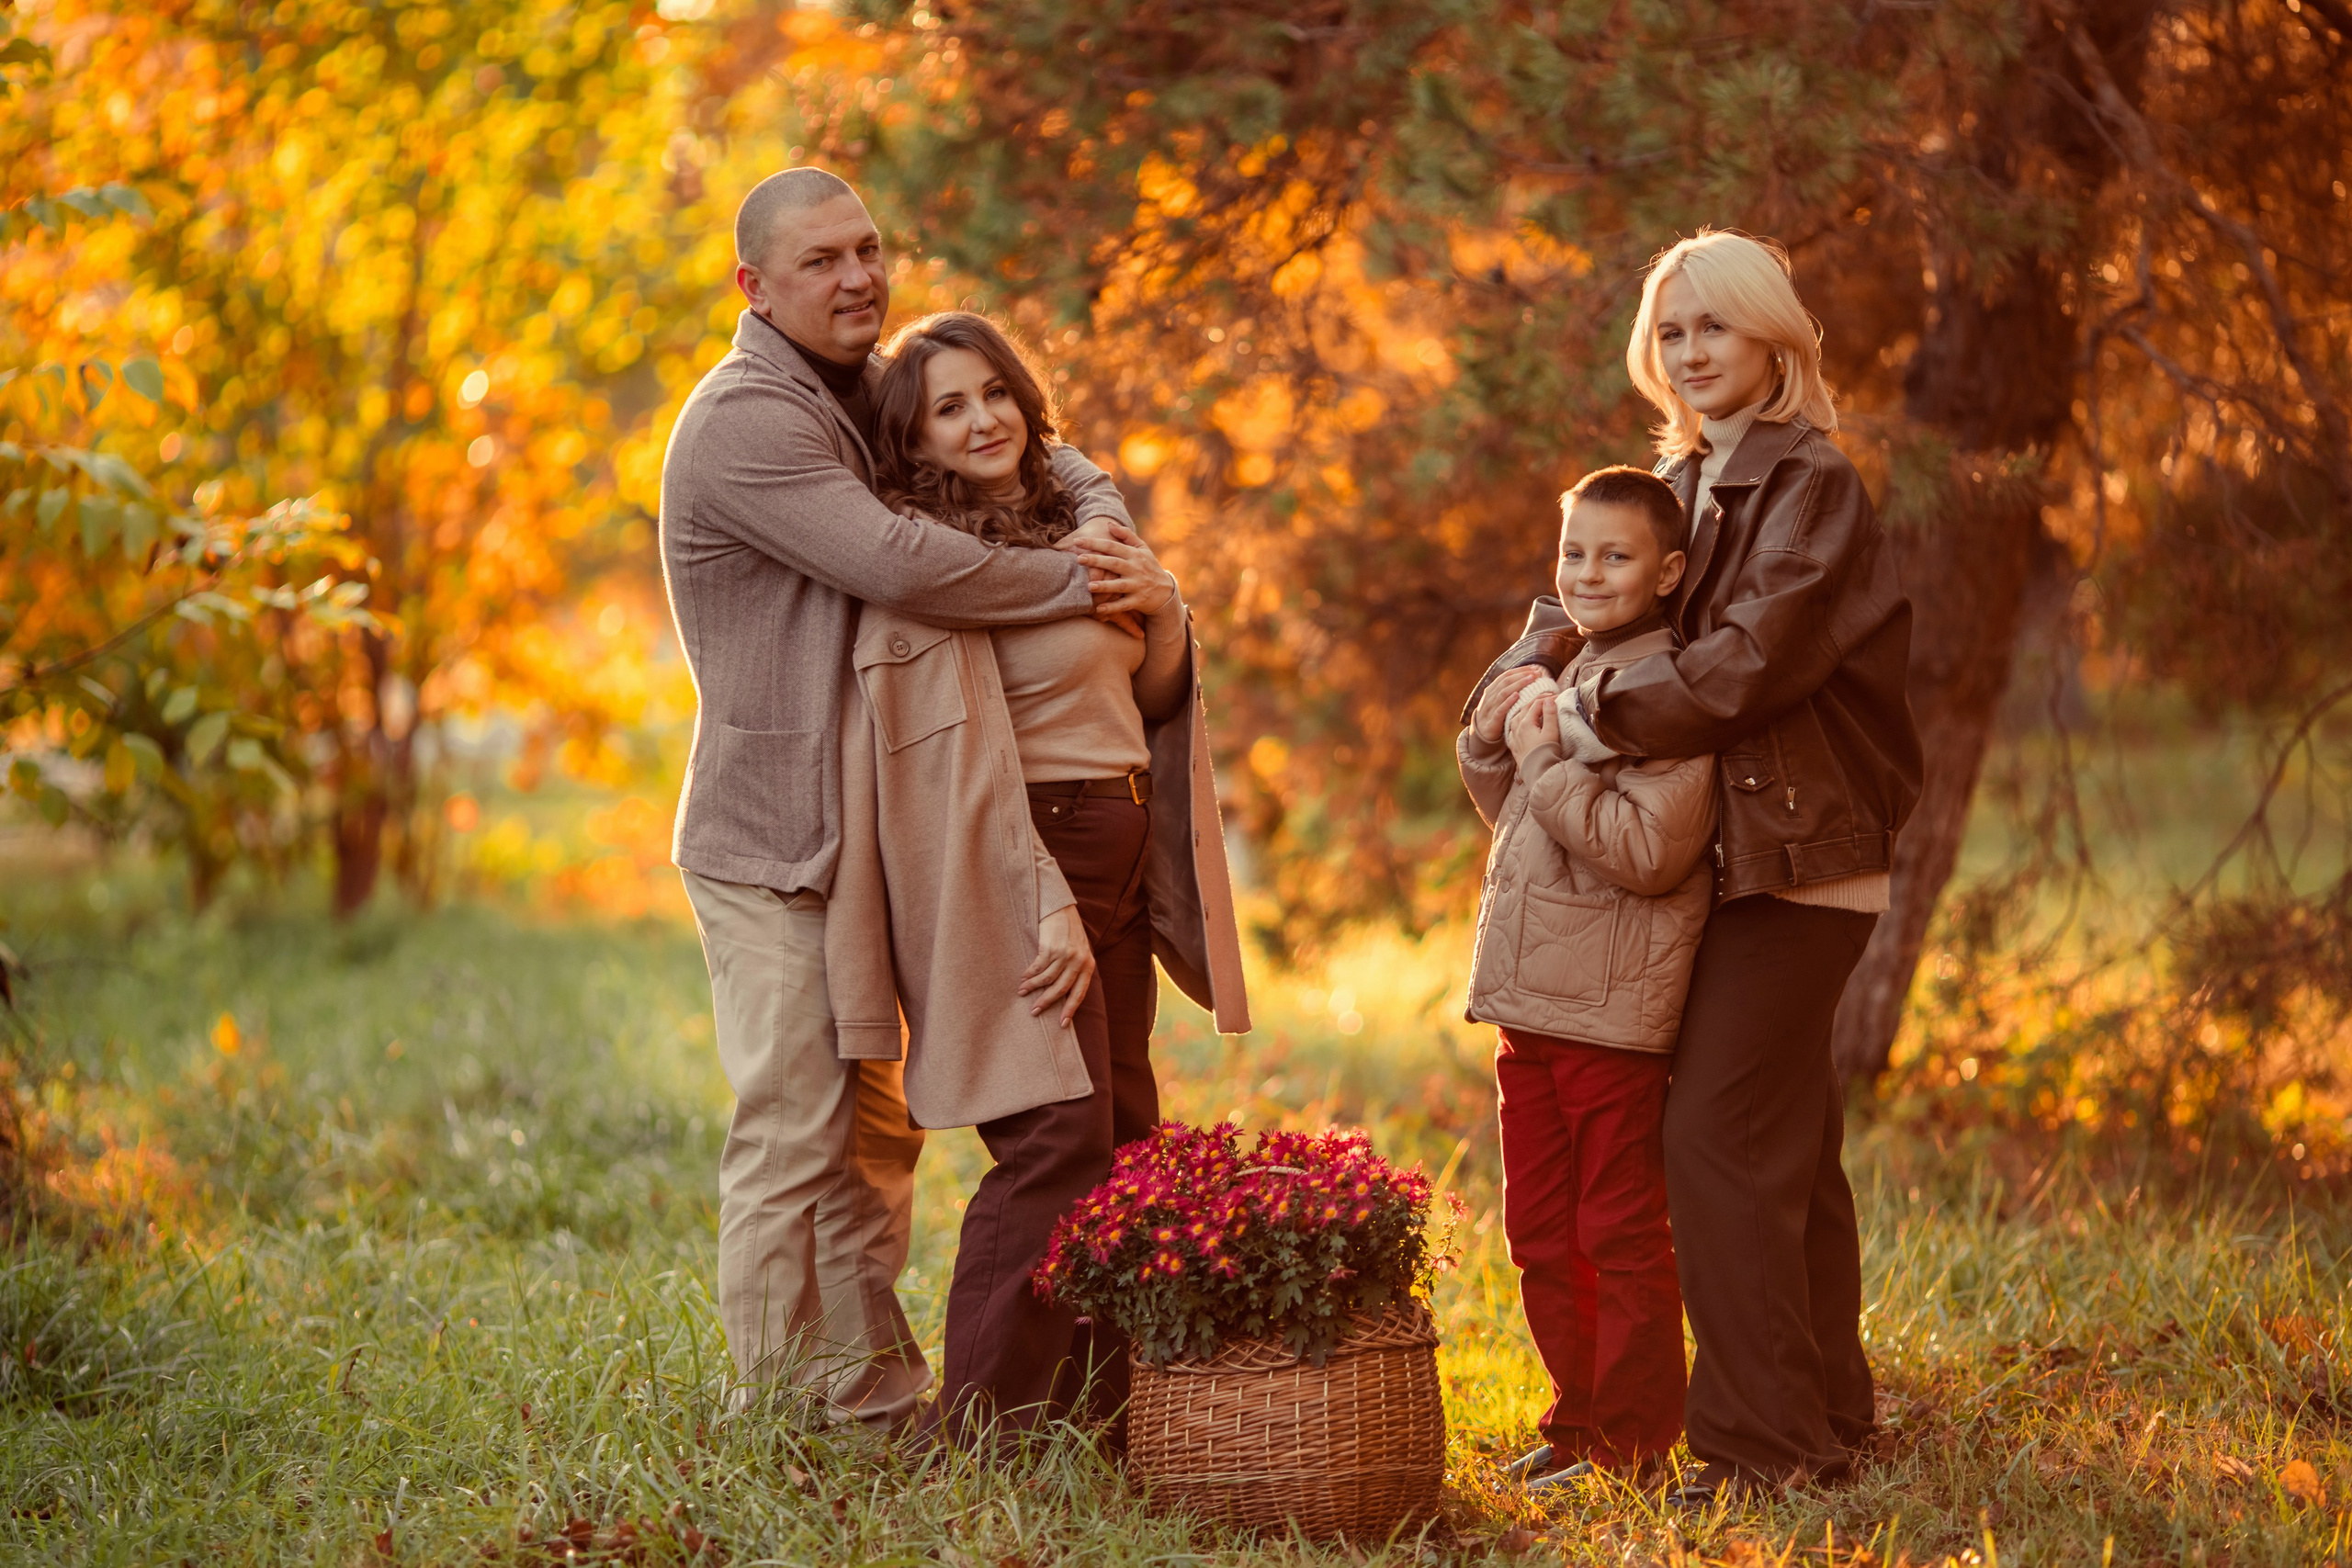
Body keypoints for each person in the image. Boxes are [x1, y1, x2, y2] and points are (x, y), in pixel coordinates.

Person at [658, 170, 1169, 1427]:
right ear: (754, 288)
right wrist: (1070, 575)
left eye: (868, 250)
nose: (857, 278)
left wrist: (1100, 519)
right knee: (797, 1126)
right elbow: (897, 560)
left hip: (880, 836)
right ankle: (778, 1411)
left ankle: (872, 1398)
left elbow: (1049, 446)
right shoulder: (746, 421)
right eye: (821, 260)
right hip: (777, 835)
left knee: (876, 1139)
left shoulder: (868, 389)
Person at [826, 310, 1250, 1444]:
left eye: (993, 394)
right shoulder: (940, 567)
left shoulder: (1077, 528)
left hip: (1115, 842)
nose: (980, 421)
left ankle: (1104, 1416)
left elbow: (1147, 702)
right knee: (1052, 1139)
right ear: (914, 441)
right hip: (1021, 855)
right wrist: (1042, 902)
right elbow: (963, 764)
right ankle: (992, 1428)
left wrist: (1162, 610)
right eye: (946, 408)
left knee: (1122, 1135)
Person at [1552, 230, 1922, 1501]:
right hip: (1731, 854)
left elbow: (1761, 655)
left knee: (1716, 1134)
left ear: (1775, 336)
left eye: (1714, 325)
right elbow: (1574, 605)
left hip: (1802, 850)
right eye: (1671, 330)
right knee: (1786, 1138)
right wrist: (1514, 683)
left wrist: (1596, 715)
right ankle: (1826, 1410)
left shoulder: (1810, 481)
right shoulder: (1681, 477)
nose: (1692, 350)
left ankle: (1764, 1447)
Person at [1455, 467, 1716, 1486]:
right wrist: (1496, 735)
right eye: (1573, 552)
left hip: (1611, 1013)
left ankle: (1635, 1442)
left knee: (1615, 1234)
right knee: (1538, 1234)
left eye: (1614, 556)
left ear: (1668, 572)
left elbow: (1650, 852)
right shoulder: (1561, 671)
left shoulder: (1665, 691)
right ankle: (1578, 1424)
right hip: (1529, 1007)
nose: (1587, 573)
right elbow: (1520, 822)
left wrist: (1540, 752)